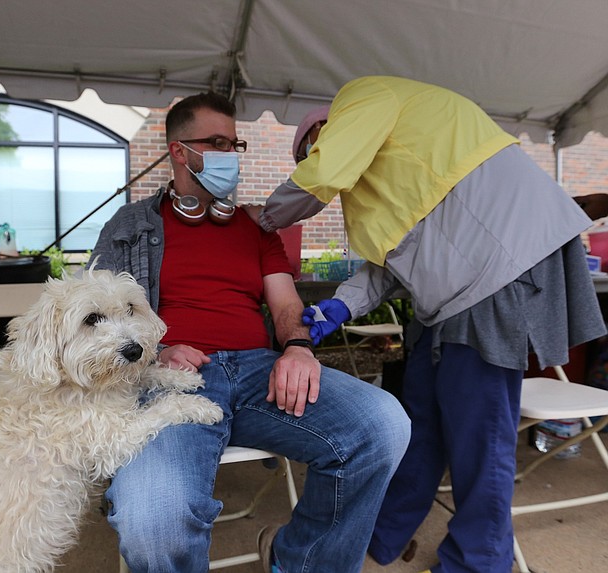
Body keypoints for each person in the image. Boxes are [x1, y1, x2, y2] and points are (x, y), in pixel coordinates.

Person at [245, 76, 607, 573]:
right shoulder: (383, 180)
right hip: (453, 299)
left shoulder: (365, 98)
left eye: (310, 152)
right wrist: (340, 306)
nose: (313, 163)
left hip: (498, 274)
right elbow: (390, 262)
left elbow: (323, 173)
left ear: (328, 130)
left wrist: (261, 221)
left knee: (480, 436)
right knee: (420, 424)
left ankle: (479, 562)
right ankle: (382, 535)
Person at [88, 92, 410, 573]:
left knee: (383, 426)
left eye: (233, 144)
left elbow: (285, 304)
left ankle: (296, 561)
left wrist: (298, 348)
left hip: (258, 371)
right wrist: (156, 352)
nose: (229, 155)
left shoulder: (256, 228)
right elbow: (94, 313)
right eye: (216, 142)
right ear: (180, 151)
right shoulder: (130, 224)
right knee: (155, 519)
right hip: (171, 379)